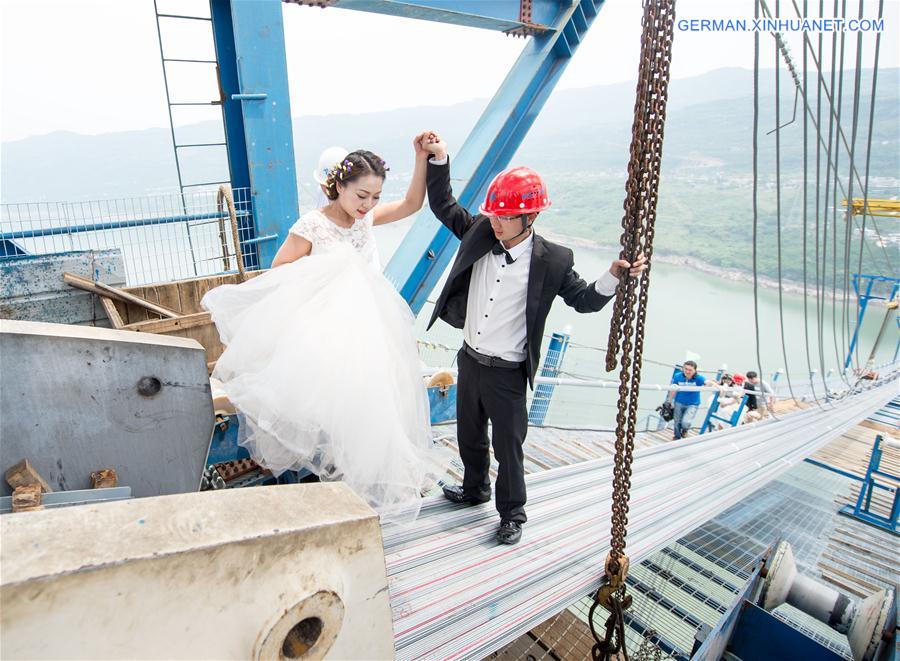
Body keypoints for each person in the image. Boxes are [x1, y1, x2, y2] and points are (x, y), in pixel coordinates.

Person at [202, 134, 444, 524]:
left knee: (372, 415)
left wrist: (421, 160)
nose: (367, 206)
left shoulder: (365, 222)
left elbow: (414, 204)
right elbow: (280, 274)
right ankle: (329, 503)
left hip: (369, 333)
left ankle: (363, 500)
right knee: (331, 421)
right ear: (339, 186)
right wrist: (328, 277)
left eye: (375, 197)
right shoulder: (312, 226)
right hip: (326, 337)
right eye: (361, 195)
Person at [421, 133, 647, 545]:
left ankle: (512, 514)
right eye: (493, 215)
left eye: (504, 217)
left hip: (507, 372)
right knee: (469, 435)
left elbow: (583, 301)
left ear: (531, 217)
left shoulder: (554, 260)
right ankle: (474, 490)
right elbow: (443, 204)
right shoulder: (479, 231)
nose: (495, 222)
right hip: (470, 359)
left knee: (509, 448)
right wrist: (439, 159)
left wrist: (613, 276)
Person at [666, 360, 706, 440]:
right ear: (683, 369)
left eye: (690, 370)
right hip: (679, 402)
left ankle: (685, 430)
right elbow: (673, 389)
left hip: (692, 403)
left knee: (686, 422)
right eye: (686, 369)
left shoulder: (699, 378)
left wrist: (718, 386)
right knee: (677, 421)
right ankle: (677, 436)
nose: (687, 371)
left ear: (695, 370)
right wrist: (669, 401)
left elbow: (707, 382)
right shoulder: (678, 376)